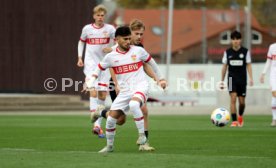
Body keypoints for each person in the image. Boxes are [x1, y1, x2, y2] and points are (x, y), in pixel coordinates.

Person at [85, 26, 166, 153]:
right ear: (117, 39)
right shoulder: (111, 57)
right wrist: (90, 82)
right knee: (112, 119)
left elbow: (152, 63)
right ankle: (109, 147)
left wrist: (160, 79)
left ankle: (142, 138)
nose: (128, 41)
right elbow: (98, 69)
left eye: (129, 38)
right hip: (124, 91)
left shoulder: (138, 51)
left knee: (134, 105)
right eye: (125, 39)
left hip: (140, 86)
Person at [77, 4, 115, 137]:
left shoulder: (110, 29)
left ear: (105, 16)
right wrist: (80, 57)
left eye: (102, 15)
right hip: (90, 65)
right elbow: (81, 42)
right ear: (94, 16)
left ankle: (98, 125)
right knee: (93, 92)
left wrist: (111, 48)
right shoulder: (87, 29)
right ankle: (96, 125)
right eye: (98, 15)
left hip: (104, 65)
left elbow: (119, 42)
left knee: (102, 95)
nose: (100, 17)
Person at [221, 30, 253, 127]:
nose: (235, 41)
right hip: (231, 79)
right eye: (233, 39)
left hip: (242, 79)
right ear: (231, 40)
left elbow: (248, 65)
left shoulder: (245, 52)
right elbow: (224, 67)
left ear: (240, 40)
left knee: (242, 102)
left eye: (237, 39)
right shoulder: (227, 52)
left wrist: (251, 78)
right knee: (233, 98)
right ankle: (234, 121)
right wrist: (221, 81)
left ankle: (240, 116)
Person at [259, 43, 276, 127]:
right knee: (274, 95)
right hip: (274, 75)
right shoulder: (272, 47)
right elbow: (268, 61)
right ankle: (274, 119)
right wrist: (263, 73)